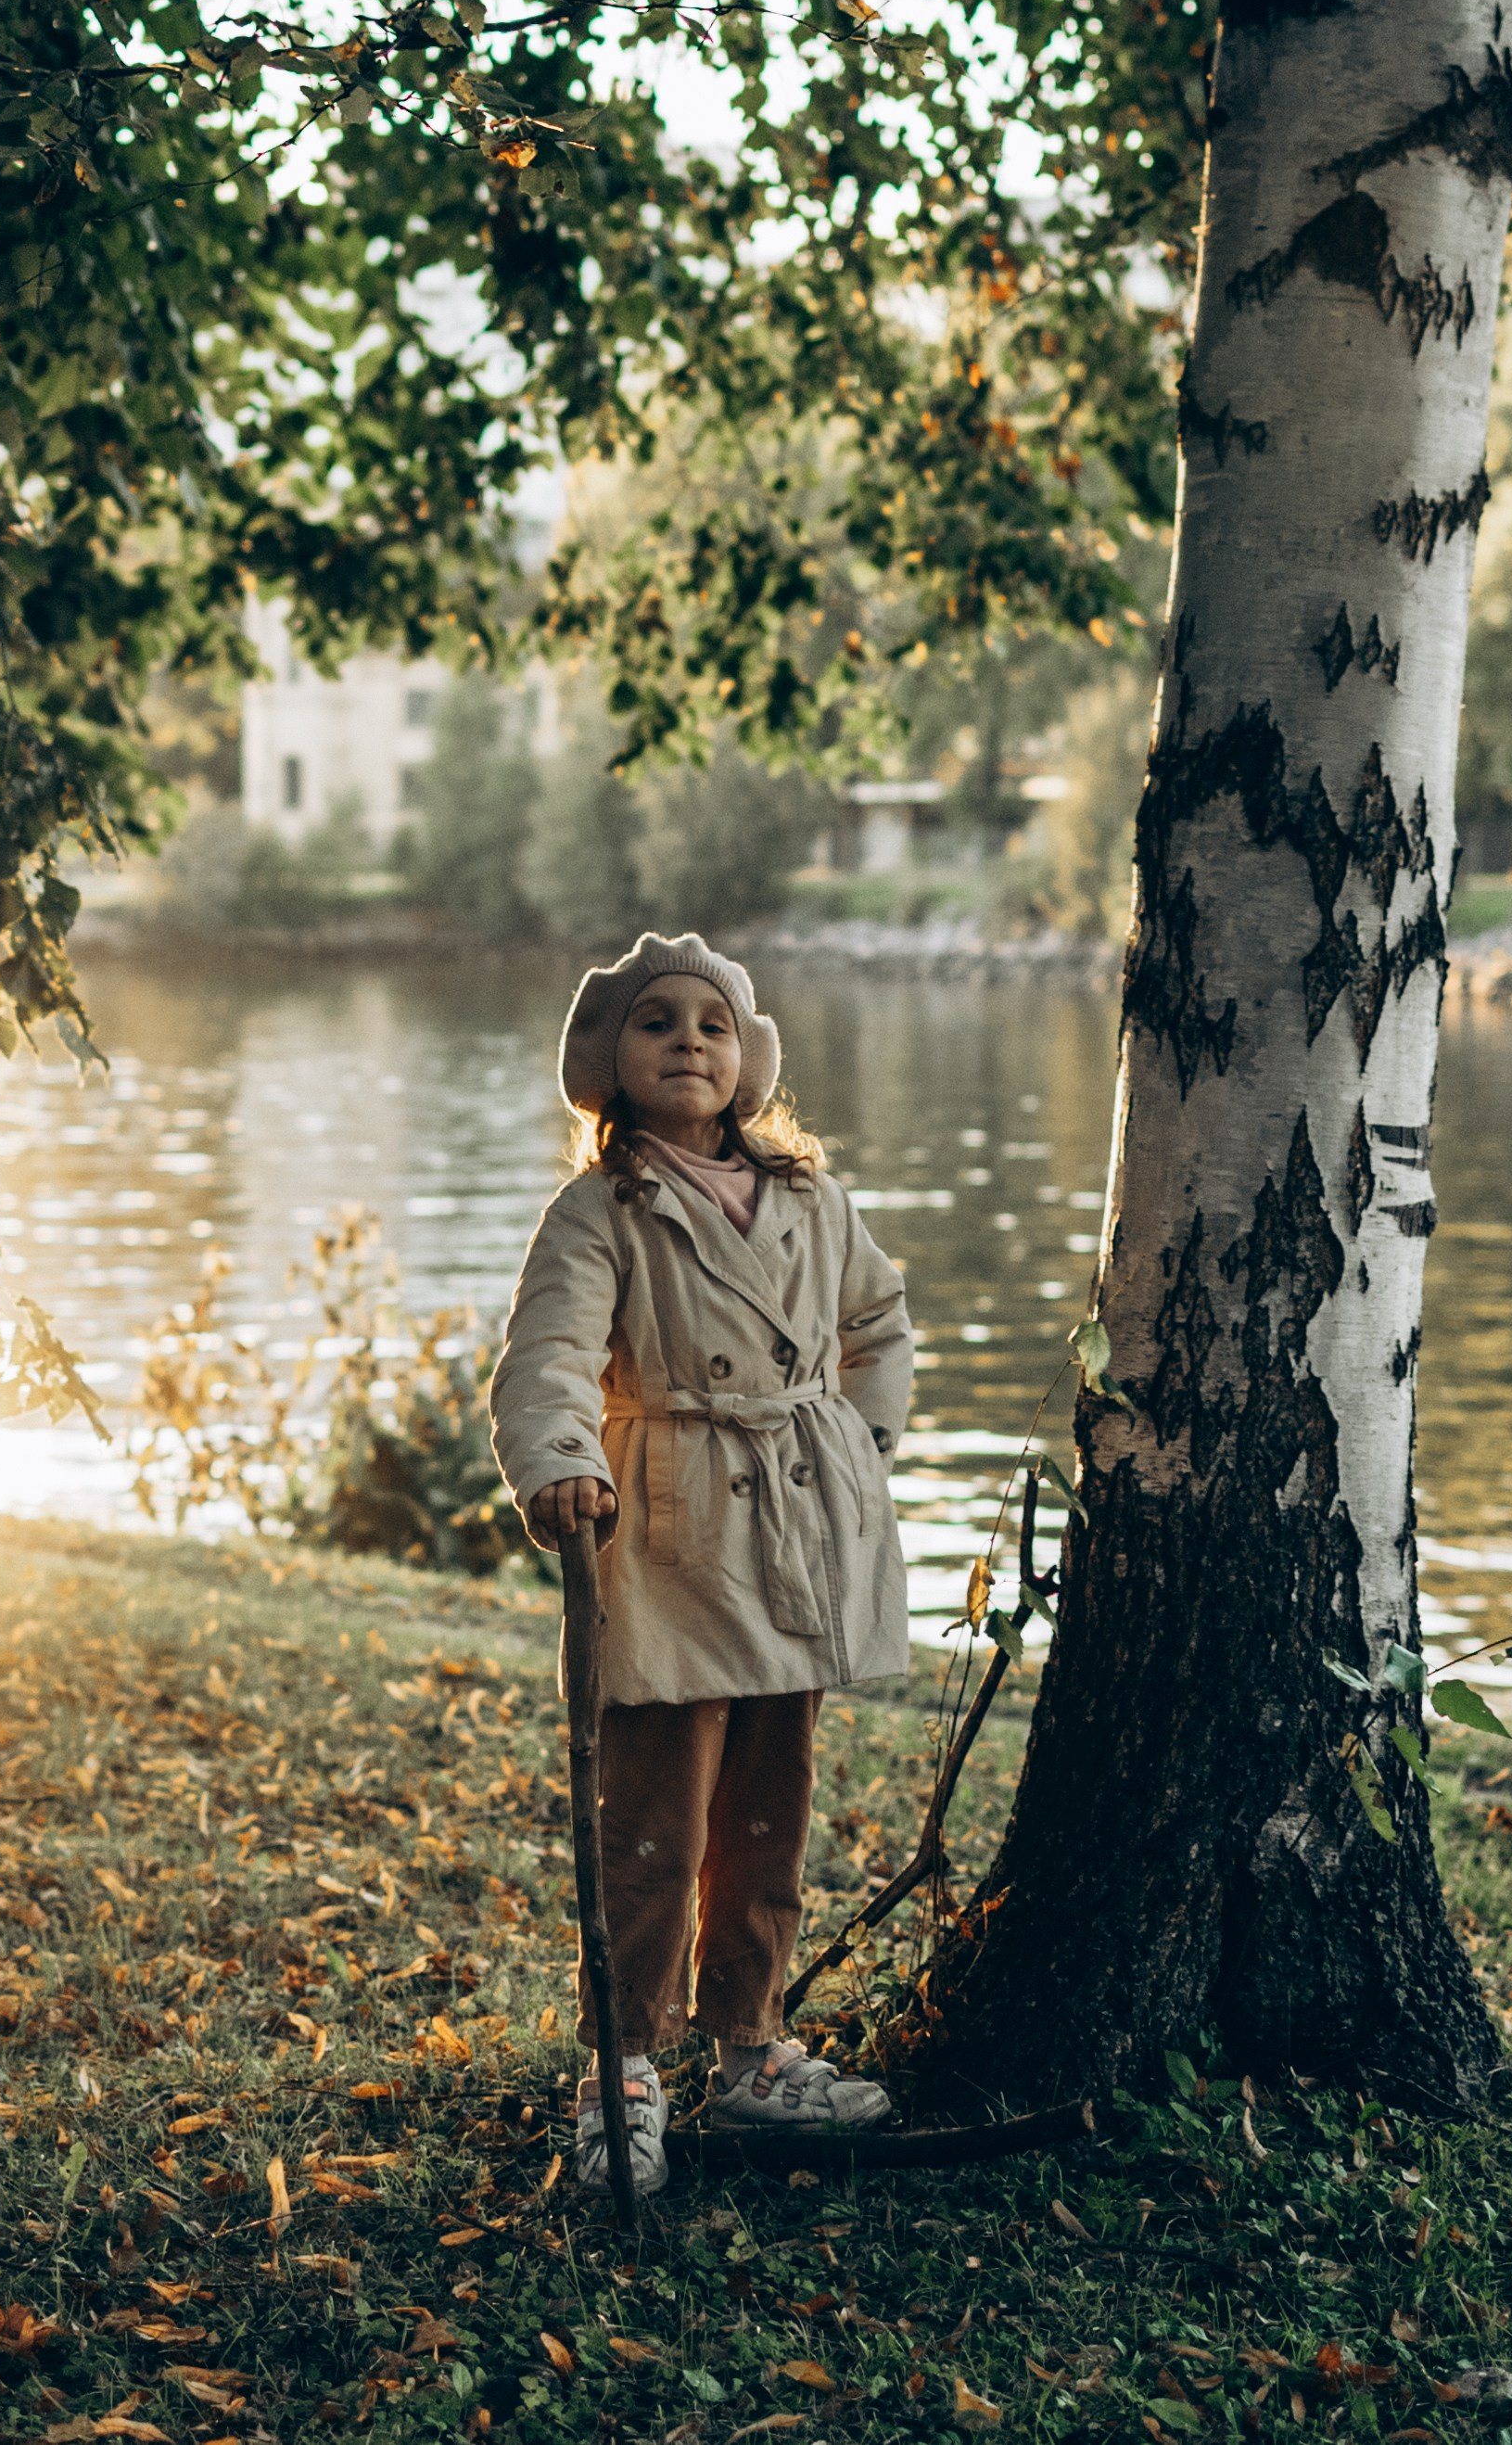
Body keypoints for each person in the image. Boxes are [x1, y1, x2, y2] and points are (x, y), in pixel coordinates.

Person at [489, 931, 915, 2196]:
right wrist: (563, 1455)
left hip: (797, 1520)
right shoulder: (602, 1209)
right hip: (670, 1530)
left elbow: (877, 1320)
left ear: (748, 1062)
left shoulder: (812, 1202)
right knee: (655, 1815)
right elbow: (548, 1353)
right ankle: (623, 2062)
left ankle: (752, 2045)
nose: (690, 1041)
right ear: (609, 1064)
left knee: (770, 1804)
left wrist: (861, 1440)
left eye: (713, 1025)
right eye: (658, 1022)